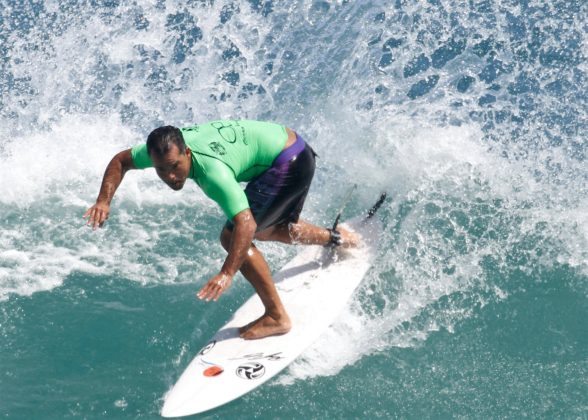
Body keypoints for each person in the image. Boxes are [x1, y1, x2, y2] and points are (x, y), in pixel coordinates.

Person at [83, 120, 357, 340]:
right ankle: (337, 238)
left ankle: (276, 317)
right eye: (161, 170)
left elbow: (245, 224)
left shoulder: (212, 173)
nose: (170, 176)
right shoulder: (160, 149)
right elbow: (121, 160)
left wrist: (227, 273)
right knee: (270, 227)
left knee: (236, 235)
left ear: (187, 153)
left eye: (175, 167)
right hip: (291, 146)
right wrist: (103, 201)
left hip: (287, 161)